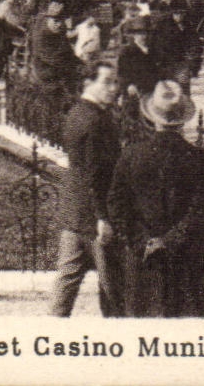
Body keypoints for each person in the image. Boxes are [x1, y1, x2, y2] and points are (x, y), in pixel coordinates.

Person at [107, 80, 204, 318]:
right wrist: (169, 241)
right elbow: (201, 210)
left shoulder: (131, 156)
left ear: (152, 118)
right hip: (189, 259)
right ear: (183, 121)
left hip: (145, 260)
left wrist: (144, 241)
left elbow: (117, 207)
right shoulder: (199, 159)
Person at [49, 62, 125, 317]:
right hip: (94, 217)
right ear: (88, 83)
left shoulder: (78, 113)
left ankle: (49, 333)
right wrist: (103, 217)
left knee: (67, 279)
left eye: (115, 82)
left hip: (74, 212)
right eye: (107, 81)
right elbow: (95, 175)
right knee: (113, 286)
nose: (114, 88)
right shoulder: (95, 121)